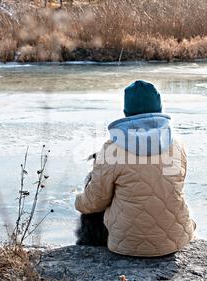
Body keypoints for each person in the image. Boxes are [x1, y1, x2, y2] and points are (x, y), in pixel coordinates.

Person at [75, 80, 195, 257]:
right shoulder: (177, 145)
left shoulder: (112, 149)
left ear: (126, 113)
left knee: (92, 207)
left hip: (127, 245)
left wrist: (78, 199)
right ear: (160, 110)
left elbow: (94, 202)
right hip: (177, 240)